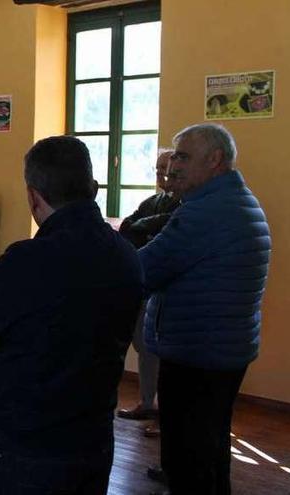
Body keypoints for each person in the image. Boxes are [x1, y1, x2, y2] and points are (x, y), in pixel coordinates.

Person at [0, 136, 143, 495]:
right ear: (94, 189)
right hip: (95, 432)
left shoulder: (29, 259)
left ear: (33, 197)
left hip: (34, 440)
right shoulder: (126, 254)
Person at [139, 124, 270, 495]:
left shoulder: (206, 212)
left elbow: (147, 269)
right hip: (222, 347)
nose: (173, 166)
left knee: (188, 461)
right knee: (210, 452)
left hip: (196, 353)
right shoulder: (233, 200)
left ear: (214, 160)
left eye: (182, 156)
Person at [116, 149, 180, 436]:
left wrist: (144, 231)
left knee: (166, 352)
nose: (161, 175)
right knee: (145, 347)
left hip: (168, 290)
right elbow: (129, 229)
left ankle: (166, 414)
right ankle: (147, 401)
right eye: (156, 169)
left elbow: (160, 238)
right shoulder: (153, 201)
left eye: (165, 169)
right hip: (144, 285)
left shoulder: (186, 204)